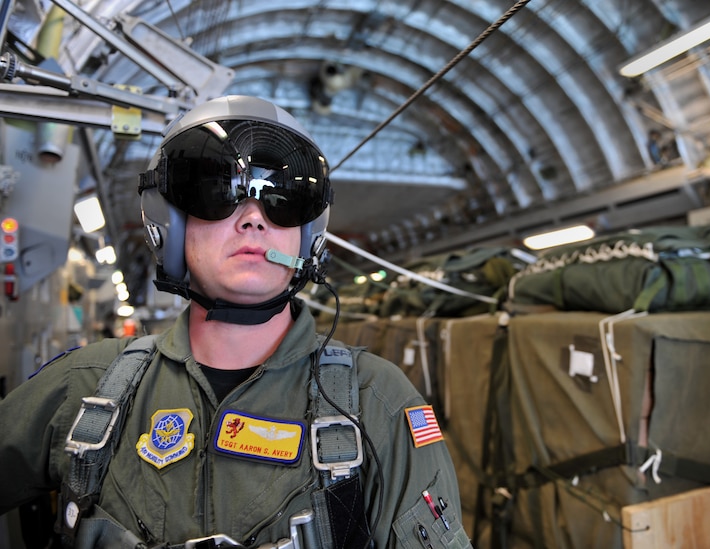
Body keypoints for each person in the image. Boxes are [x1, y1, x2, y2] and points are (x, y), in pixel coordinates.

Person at [0, 95, 472, 549]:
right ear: (172, 221)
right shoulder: (86, 385)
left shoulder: (377, 404)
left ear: (309, 235)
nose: (253, 219)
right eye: (217, 192)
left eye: (282, 199)